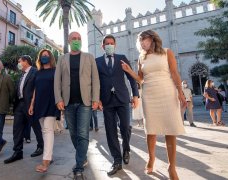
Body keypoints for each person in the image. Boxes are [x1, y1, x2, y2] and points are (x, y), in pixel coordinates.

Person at [121, 30, 186, 180]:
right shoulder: (141, 57)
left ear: (153, 38)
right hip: (149, 95)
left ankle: (172, 167)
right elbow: (140, 79)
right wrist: (129, 70)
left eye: (145, 39)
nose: (143, 42)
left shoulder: (166, 52)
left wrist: (180, 93)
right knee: (150, 130)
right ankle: (151, 158)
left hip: (167, 92)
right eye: (140, 40)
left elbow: (175, 73)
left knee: (170, 130)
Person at [54, 31, 100, 179]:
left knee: (82, 134)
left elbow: (95, 79)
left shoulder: (89, 57)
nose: (76, 40)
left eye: (79, 39)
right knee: (73, 134)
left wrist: (95, 98)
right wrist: (58, 99)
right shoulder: (62, 59)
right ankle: (83, 156)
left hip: (85, 102)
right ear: (68, 41)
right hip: (68, 102)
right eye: (74, 38)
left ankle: (79, 167)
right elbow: (57, 81)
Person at [95, 34, 139, 176]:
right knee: (110, 131)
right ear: (102, 46)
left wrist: (135, 95)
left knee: (125, 126)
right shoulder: (97, 62)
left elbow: (131, 77)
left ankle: (126, 148)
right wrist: (97, 99)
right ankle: (117, 160)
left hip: (122, 98)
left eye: (111, 43)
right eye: (106, 43)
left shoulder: (122, 58)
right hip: (107, 101)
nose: (109, 45)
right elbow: (95, 82)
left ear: (115, 45)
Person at [4, 55, 44, 164]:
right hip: (19, 105)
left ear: (26, 61)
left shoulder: (35, 72)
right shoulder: (21, 75)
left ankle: (41, 147)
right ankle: (18, 152)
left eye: (19, 61)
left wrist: (33, 104)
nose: (18, 63)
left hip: (31, 104)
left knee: (36, 126)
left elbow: (38, 89)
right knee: (17, 129)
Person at [28, 49, 60, 173]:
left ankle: (45, 162)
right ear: (39, 58)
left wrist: (60, 102)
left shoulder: (56, 71)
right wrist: (32, 104)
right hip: (39, 104)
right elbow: (35, 89)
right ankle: (49, 156)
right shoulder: (38, 72)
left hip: (52, 103)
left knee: (47, 130)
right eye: (42, 56)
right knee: (44, 131)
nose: (44, 57)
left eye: (46, 55)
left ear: (50, 57)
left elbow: (60, 87)